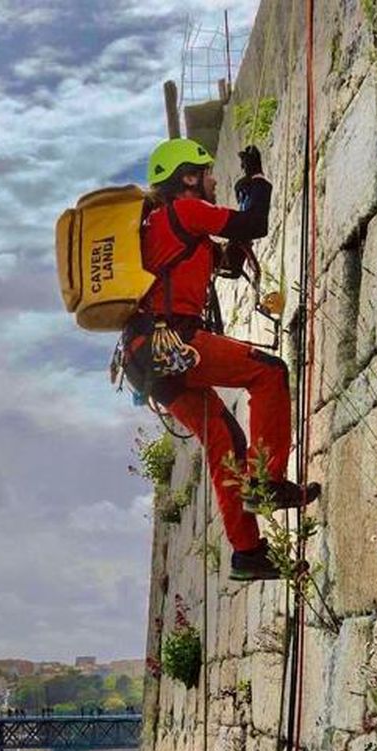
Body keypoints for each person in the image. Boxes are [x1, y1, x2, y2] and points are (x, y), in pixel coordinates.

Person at [123, 138, 320, 581]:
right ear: (188, 178)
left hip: (144, 358)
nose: (213, 179)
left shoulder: (162, 226)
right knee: (268, 372)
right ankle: (265, 480)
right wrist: (255, 181)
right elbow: (253, 222)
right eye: (207, 172)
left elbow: (223, 260)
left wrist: (230, 250)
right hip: (172, 339)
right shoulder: (185, 212)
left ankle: (247, 553)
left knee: (224, 444)